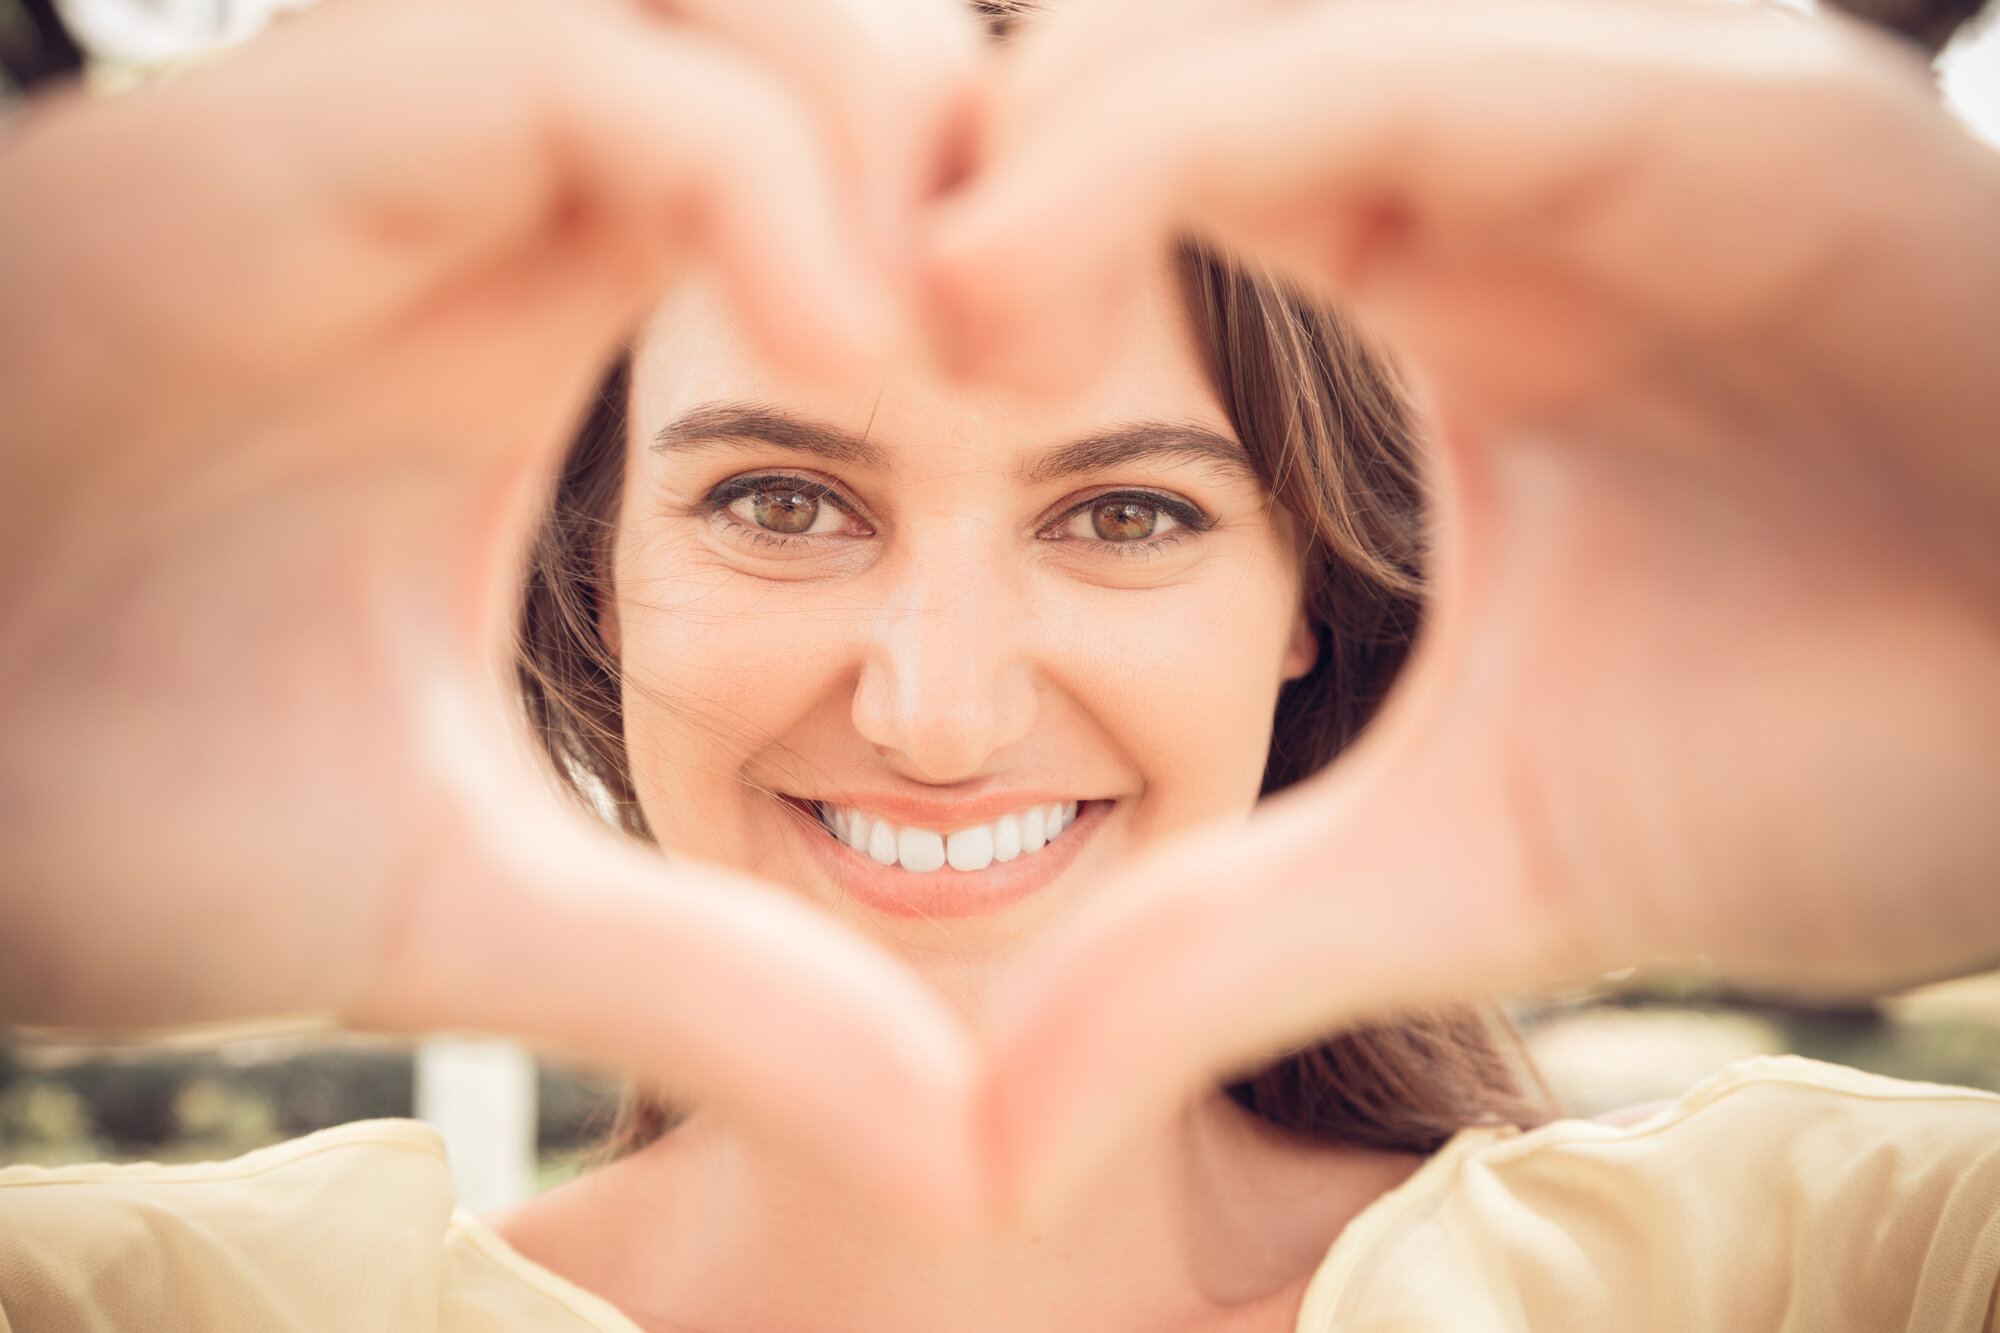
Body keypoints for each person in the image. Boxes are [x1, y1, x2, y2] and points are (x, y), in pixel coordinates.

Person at [1, 0, 1999, 1310]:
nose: (934, 711)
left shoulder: (1824, 1269)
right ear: (589, 569)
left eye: (1124, 512)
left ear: (1307, 594)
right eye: (779, 501)